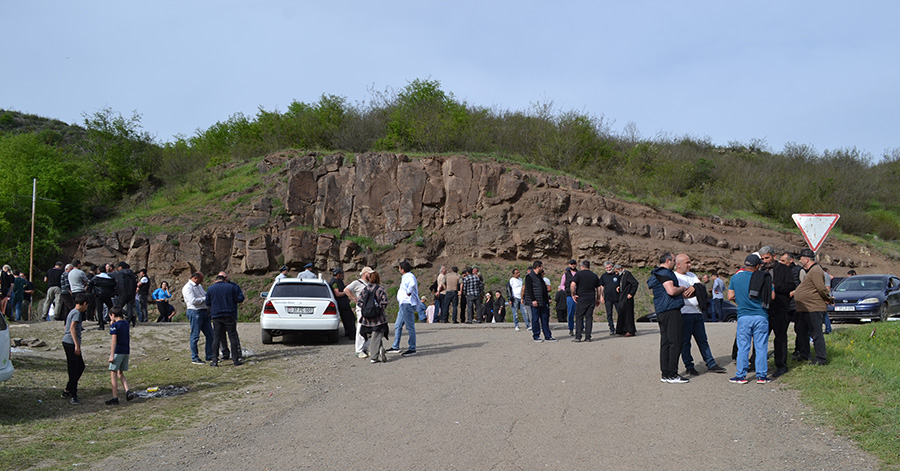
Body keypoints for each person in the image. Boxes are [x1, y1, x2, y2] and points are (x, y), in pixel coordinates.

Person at [673, 254, 727, 376]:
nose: (690, 265)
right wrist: (693, 290)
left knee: (703, 340)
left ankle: (711, 363)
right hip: (684, 313)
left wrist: (694, 288)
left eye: (690, 262)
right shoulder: (675, 277)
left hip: (697, 312)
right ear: (678, 264)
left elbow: (701, 288)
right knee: (685, 342)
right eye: (687, 263)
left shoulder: (692, 275)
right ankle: (689, 366)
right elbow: (682, 293)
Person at [728, 253, 774, 383]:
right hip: (761, 316)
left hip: (743, 316)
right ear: (757, 266)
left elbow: (730, 296)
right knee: (761, 347)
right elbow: (773, 296)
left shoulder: (736, 278)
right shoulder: (763, 278)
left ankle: (741, 376)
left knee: (743, 347)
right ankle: (761, 376)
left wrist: (741, 302)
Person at [647, 252, 689, 384]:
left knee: (665, 343)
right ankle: (672, 374)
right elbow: (671, 291)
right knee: (675, 342)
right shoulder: (665, 273)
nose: (675, 263)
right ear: (668, 261)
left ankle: (665, 374)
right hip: (671, 311)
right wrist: (681, 288)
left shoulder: (656, 274)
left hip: (661, 311)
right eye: (674, 260)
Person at [759, 246, 796, 378]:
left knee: (780, 338)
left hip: (780, 308)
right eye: (762, 258)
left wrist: (775, 287)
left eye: (767, 258)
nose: (765, 261)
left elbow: (791, 285)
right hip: (764, 308)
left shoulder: (784, 269)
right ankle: (757, 363)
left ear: (774, 256)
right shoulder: (761, 269)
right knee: (760, 337)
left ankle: (781, 365)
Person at [792, 248, 832, 366]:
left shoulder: (815, 270)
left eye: (801, 258)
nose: (800, 260)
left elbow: (820, 287)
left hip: (813, 307)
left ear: (807, 259)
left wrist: (828, 298)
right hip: (805, 308)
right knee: (801, 330)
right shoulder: (810, 270)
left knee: (816, 333)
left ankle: (821, 359)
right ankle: (805, 354)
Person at [206, 272, 245, 367]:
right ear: (224, 279)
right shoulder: (231, 287)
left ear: (216, 280)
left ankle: (214, 360)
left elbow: (207, 302)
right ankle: (235, 359)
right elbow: (238, 299)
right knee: (232, 337)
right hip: (229, 315)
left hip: (217, 316)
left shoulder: (211, 288)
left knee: (216, 338)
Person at [61, 293, 88, 405]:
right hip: (71, 343)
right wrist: (77, 345)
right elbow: (72, 328)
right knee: (74, 369)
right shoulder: (77, 313)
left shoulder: (72, 311)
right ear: (85, 304)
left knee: (80, 366)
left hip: (67, 341)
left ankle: (68, 388)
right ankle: (73, 394)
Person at [387, 261, 418, 356]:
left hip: (407, 304)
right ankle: (395, 346)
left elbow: (412, 284)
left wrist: (408, 292)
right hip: (403, 304)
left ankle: (412, 348)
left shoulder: (409, 277)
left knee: (410, 326)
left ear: (402, 269)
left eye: (399, 268)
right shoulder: (406, 277)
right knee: (397, 325)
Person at [183, 272, 214, 365]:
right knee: (195, 335)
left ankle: (209, 355)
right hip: (195, 311)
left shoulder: (198, 286)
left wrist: (205, 298)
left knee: (210, 334)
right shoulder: (187, 287)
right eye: (201, 279)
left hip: (203, 311)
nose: (202, 281)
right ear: (195, 278)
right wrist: (205, 299)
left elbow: (205, 294)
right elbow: (193, 301)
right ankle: (194, 357)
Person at [106, 307, 135, 405]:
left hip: (118, 351)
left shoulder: (115, 326)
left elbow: (114, 341)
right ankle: (127, 390)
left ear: (113, 315)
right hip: (126, 351)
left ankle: (115, 397)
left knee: (113, 373)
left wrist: (112, 355)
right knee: (120, 373)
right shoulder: (126, 324)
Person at [359, 270, 390, 363]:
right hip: (378, 319)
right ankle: (374, 357)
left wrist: (366, 310)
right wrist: (377, 309)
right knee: (376, 336)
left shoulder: (364, 289)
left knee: (373, 336)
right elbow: (384, 302)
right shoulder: (380, 289)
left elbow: (359, 302)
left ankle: (379, 349)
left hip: (366, 319)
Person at [344, 267, 374, 358]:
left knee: (368, 329)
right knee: (361, 327)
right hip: (361, 309)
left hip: (369, 309)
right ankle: (359, 350)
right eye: (369, 273)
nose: (371, 275)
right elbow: (346, 290)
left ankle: (365, 348)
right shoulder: (357, 283)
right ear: (365, 274)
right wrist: (354, 298)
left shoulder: (370, 283)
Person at [524, 260, 557, 342]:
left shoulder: (540, 276)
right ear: (538, 267)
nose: (542, 269)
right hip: (536, 301)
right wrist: (533, 300)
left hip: (543, 301)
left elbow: (543, 288)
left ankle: (548, 336)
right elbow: (529, 289)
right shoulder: (529, 276)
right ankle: (536, 336)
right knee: (535, 319)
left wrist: (547, 298)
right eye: (541, 267)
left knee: (545, 319)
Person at [570, 260, 601, 342]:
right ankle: (588, 337)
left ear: (581, 266)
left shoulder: (579, 274)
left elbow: (572, 284)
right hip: (591, 298)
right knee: (589, 317)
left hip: (582, 298)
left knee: (579, 317)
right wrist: (598, 298)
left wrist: (573, 294)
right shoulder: (594, 275)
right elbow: (599, 288)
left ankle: (578, 336)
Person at [329, 269, 355, 340]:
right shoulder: (335, 282)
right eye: (341, 274)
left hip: (343, 302)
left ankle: (349, 333)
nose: (342, 276)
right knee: (349, 318)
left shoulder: (338, 281)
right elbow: (337, 294)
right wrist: (346, 292)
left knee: (348, 319)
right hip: (342, 304)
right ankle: (351, 334)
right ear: (338, 274)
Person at [90, 264, 117, 330]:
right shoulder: (110, 278)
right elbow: (114, 285)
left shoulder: (96, 277)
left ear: (99, 270)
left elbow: (90, 284)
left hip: (98, 295)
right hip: (107, 295)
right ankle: (113, 321)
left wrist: (93, 292)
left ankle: (101, 325)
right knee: (111, 308)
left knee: (100, 310)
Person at [111, 262, 137, 327]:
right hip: (131, 293)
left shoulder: (119, 273)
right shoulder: (132, 274)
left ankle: (126, 317)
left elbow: (111, 276)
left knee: (118, 307)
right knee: (130, 308)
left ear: (120, 267)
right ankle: (129, 319)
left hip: (122, 293)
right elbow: (135, 284)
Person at [614, 264, 638, 336]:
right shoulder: (621, 275)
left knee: (628, 314)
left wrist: (631, 293)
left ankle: (630, 330)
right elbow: (623, 283)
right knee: (622, 312)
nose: (616, 273)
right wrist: (619, 287)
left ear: (620, 269)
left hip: (627, 298)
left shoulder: (627, 274)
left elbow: (635, 283)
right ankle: (622, 329)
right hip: (622, 297)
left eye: (616, 271)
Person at [598, 261, 620, 335]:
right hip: (608, 298)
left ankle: (620, 328)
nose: (608, 269)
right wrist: (601, 296)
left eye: (609, 267)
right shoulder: (604, 276)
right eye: (607, 268)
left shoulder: (617, 275)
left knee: (620, 313)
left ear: (612, 267)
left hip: (617, 298)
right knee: (609, 314)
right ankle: (611, 328)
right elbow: (601, 286)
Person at [560, 259, 578, 336]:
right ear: (569, 265)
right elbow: (562, 284)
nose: (573, 265)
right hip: (569, 296)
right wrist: (566, 290)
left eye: (574, 264)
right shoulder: (565, 275)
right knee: (570, 313)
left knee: (579, 313)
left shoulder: (578, 273)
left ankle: (580, 327)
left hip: (578, 295)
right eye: (571, 264)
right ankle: (571, 328)